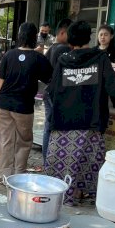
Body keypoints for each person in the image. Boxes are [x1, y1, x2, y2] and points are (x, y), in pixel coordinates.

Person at [45, 21, 115, 206]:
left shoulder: (64, 60)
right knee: (87, 162)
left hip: (63, 122)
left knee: (65, 162)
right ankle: (82, 194)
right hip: (90, 121)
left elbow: (51, 90)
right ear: (89, 38)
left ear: (71, 39)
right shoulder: (100, 58)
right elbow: (113, 87)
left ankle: (64, 196)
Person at [0, 22, 53, 179]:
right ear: (34, 37)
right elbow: (51, 79)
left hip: (2, 104)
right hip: (23, 107)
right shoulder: (38, 58)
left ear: (19, 35)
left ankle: (5, 176)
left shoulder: (8, 55)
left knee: (5, 140)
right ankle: (18, 175)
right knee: (23, 142)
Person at [41, 18, 73, 170]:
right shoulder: (63, 50)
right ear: (63, 32)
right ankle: (51, 162)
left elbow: (43, 69)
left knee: (48, 126)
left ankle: (46, 160)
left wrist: (49, 82)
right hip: (57, 94)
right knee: (53, 127)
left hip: (49, 92)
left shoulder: (53, 48)